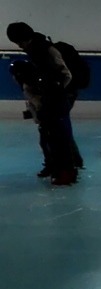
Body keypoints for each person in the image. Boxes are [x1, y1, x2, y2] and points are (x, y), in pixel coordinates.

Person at [6, 22, 80, 184]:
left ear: (26, 37)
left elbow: (65, 75)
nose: (19, 45)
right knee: (51, 137)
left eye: (19, 41)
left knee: (59, 137)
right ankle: (58, 167)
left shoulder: (46, 50)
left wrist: (55, 94)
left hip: (57, 100)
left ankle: (67, 171)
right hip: (51, 100)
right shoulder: (35, 51)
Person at [10, 60, 76, 186]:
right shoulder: (28, 84)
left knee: (55, 141)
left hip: (49, 110)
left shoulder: (39, 81)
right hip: (44, 112)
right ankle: (54, 166)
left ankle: (63, 169)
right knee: (48, 141)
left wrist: (41, 106)